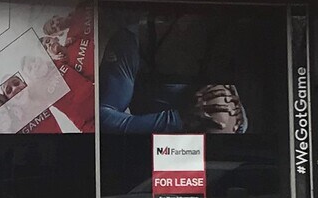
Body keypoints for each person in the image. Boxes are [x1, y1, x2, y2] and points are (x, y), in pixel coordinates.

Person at [98, 14, 248, 134]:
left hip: (210, 160)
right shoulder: (133, 41)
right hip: (150, 153)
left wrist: (240, 120)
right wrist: (177, 119)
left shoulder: (222, 41)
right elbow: (103, 118)